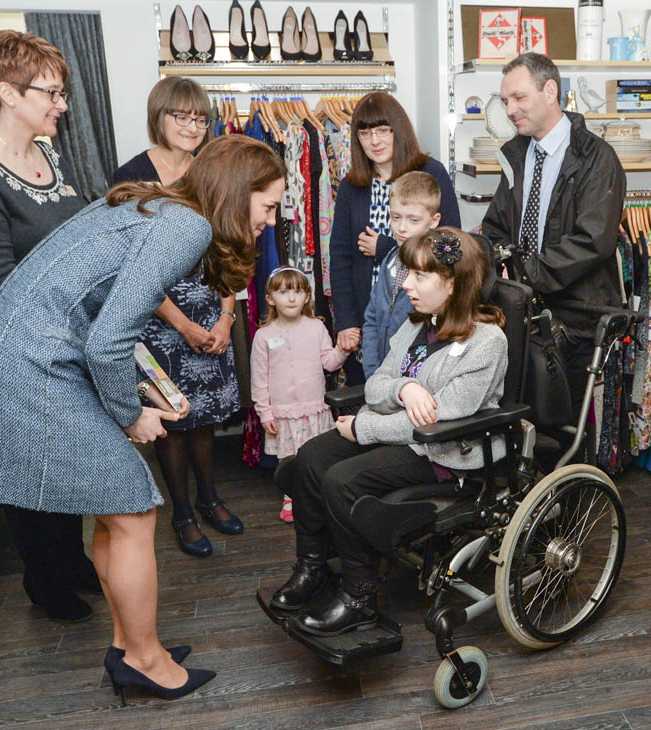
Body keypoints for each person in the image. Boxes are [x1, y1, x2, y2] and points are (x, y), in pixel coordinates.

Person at [0, 134, 287, 700]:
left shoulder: (157, 203)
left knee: (115, 506)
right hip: (36, 365)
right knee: (134, 510)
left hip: (24, 353)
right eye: (267, 205)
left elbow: (109, 320)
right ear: (236, 190)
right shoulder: (187, 227)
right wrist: (129, 415)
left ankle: (129, 647)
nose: (269, 221)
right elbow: (108, 342)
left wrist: (146, 392)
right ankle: (144, 659)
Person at [270, 229, 507, 635]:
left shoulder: (486, 343)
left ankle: (359, 597)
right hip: (404, 435)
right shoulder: (417, 326)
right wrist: (405, 388)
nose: (406, 284)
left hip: (446, 453)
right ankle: (313, 567)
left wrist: (364, 428)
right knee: (311, 458)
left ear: (452, 284)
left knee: (342, 480)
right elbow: (376, 384)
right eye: (407, 273)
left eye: (419, 275)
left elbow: (436, 423)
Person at [0, 30, 98, 622]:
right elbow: (0, 278)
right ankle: (46, 582)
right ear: (8, 92)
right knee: (31, 466)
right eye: (50, 93)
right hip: (12, 347)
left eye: (61, 92)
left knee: (65, 456)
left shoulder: (48, 153)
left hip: (63, 336)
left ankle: (72, 560)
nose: (61, 104)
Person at [109, 76, 242, 558]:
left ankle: (210, 498)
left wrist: (225, 318)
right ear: (158, 117)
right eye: (180, 116)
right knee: (172, 416)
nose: (191, 126)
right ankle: (182, 512)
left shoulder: (211, 169)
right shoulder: (131, 176)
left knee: (203, 419)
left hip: (211, 306)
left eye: (200, 119)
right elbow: (128, 264)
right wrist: (181, 324)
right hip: (155, 314)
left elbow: (230, 248)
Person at [481, 52, 625, 420]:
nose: (510, 110)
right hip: (522, 315)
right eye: (505, 100)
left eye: (519, 97)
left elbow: (593, 240)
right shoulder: (515, 156)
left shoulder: (597, 158)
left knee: (563, 426)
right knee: (520, 420)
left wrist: (524, 272)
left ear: (550, 91)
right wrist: (505, 266)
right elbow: (495, 226)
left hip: (576, 322)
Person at [329, 92, 461, 386]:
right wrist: (346, 321)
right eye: (365, 133)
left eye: (382, 130)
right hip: (371, 321)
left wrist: (386, 248)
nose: (374, 141)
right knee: (370, 388)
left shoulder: (431, 173)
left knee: (413, 391)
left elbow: (450, 246)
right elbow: (339, 257)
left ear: (398, 130)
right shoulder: (352, 186)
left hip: (419, 315)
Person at [250, 267, 350, 523]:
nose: (291, 298)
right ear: (270, 298)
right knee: (289, 457)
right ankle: (291, 496)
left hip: (314, 407)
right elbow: (259, 378)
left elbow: (329, 363)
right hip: (283, 412)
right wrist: (264, 412)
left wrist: (343, 349)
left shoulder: (316, 327)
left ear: (307, 296)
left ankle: (318, 495)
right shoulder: (263, 336)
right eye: (283, 292)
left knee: (317, 454)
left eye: (297, 291)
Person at [361, 170, 443, 377]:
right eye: (395, 217)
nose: (401, 228)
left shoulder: (436, 271)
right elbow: (371, 319)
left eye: (413, 220)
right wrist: (373, 373)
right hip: (380, 373)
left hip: (414, 377)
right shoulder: (390, 260)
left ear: (434, 221)